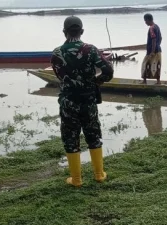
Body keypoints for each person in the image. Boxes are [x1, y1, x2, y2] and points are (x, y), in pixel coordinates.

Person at [51, 16, 114, 187]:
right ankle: (99, 174)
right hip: (88, 100)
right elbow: (108, 70)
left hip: (68, 101)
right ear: (82, 31)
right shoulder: (91, 50)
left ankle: (77, 179)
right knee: (93, 134)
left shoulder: (57, 53)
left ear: (64, 32)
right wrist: (96, 82)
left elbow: (59, 76)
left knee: (70, 137)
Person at [141, 13, 162, 85]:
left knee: (145, 64)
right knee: (157, 65)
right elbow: (161, 38)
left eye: (145, 21)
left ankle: (144, 81)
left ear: (148, 20)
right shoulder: (157, 26)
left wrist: (152, 51)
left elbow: (153, 39)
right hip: (158, 49)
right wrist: (158, 45)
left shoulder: (151, 28)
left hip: (151, 51)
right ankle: (158, 81)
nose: (145, 22)